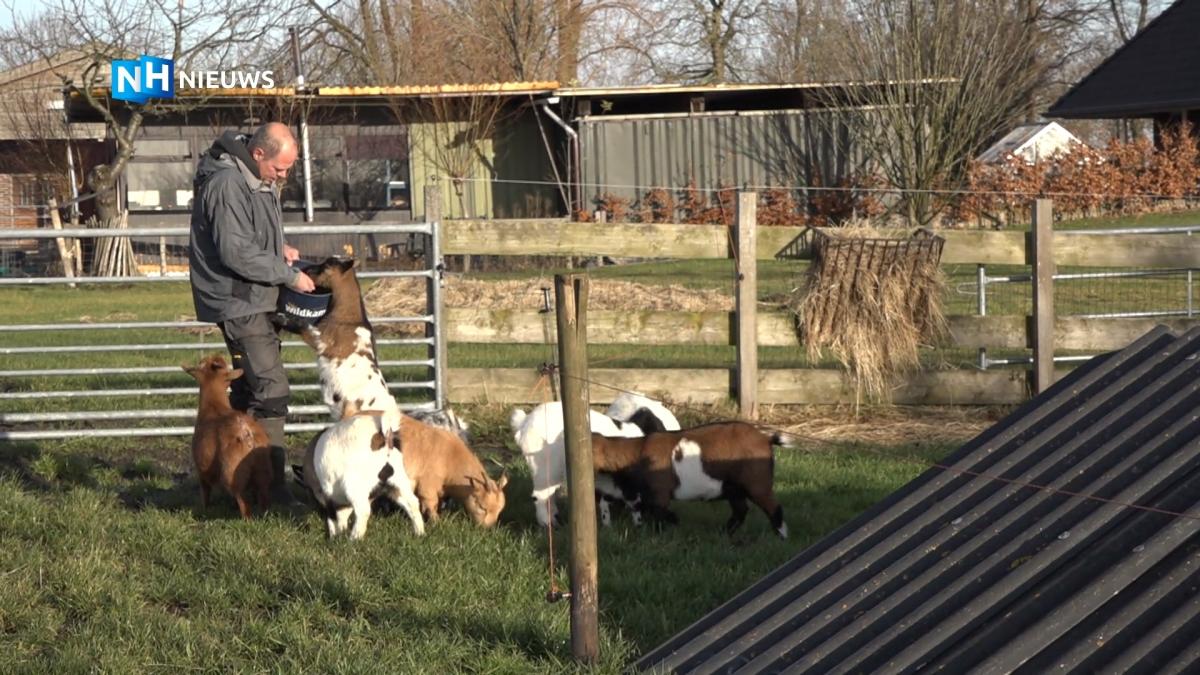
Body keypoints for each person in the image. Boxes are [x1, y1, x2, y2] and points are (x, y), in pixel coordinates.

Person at [188, 122, 315, 506]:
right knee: (271, 390)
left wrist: (280, 248)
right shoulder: (228, 183)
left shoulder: (252, 176)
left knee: (246, 389)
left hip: (252, 295)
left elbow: (247, 236)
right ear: (258, 153)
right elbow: (235, 252)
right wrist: (289, 275)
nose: (284, 176)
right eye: (280, 168)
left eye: (289, 169)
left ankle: (235, 480)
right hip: (238, 299)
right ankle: (273, 492)